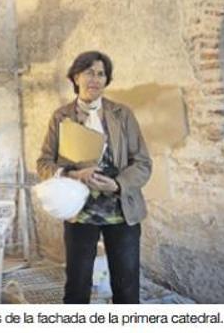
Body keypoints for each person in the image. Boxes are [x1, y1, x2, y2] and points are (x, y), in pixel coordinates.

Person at [37, 51, 151, 304]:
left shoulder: (123, 115)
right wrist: (73, 174)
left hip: (121, 209)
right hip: (80, 211)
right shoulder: (61, 117)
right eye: (89, 72)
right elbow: (44, 164)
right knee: (77, 286)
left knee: (126, 285)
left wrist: (117, 184)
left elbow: (143, 163)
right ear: (76, 77)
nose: (95, 79)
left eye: (101, 74)